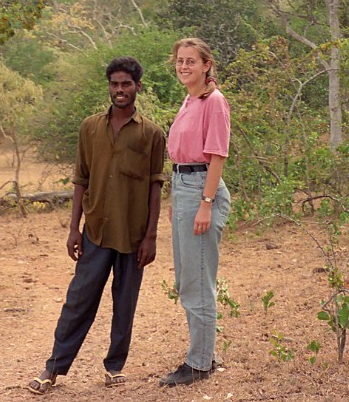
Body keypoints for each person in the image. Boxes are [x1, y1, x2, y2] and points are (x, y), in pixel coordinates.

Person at [28, 56, 166, 395]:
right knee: (79, 299)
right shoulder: (90, 127)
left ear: (138, 87)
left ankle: (114, 366)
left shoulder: (152, 133)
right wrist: (74, 228)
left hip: (134, 235)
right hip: (96, 232)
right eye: (115, 84)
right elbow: (80, 179)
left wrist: (151, 236)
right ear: (110, 87)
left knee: (125, 302)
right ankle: (54, 367)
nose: (120, 90)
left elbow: (155, 185)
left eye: (126, 84)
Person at [159, 37, 232, 388]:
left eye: (191, 61)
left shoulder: (214, 102)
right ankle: (205, 353)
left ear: (207, 65)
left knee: (198, 282)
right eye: (180, 60)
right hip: (184, 187)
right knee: (187, 279)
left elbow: (217, 155)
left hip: (202, 188)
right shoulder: (191, 99)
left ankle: (199, 363)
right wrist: (179, 200)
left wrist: (205, 203)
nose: (184, 66)